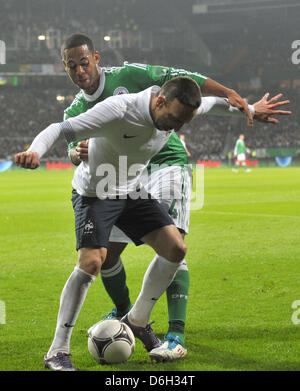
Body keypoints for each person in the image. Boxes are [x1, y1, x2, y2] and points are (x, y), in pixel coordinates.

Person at [15, 76, 291, 371]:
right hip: (96, 193)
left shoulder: (180, 109)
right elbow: (61, 129)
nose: (176, 128)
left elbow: (215, 104)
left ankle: (136, 320)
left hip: (132, 190)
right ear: (160, 101)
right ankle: (57, 351)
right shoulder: (119, 109)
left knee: (175, 249)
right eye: (173, 119)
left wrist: (250, 107)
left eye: (183, 122)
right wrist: (36, 151)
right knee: (93, 262)